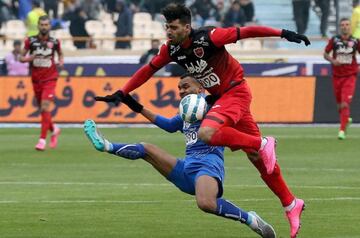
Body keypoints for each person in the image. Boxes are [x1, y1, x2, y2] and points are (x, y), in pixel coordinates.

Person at [94, 4, 310, 237]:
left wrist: (283, 33)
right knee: (258, 159)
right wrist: (123, 91)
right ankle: (290, 203)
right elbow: (147, 70)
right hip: (221, 98)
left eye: (174, 27)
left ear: (187, 27)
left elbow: (245, 31)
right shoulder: (171, 50)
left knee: (208, 134)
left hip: (235, 91)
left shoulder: (209, 37)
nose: (169, 31)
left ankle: (263, 143)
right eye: (167, 26)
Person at [85, 74, 277, 238]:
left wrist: (216, 99)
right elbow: (168, 125)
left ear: (201, 87)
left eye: (186, 86)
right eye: (179, 88)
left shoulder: (215, 110)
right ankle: (106, 146)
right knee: (147, 149)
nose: (181, 91)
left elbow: (236, 107)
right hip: (186, 170)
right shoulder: (187, 114)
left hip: (208, 166)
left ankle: (251, 220)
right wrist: (133, 104)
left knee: (205, 203)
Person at [20, 15, 63, 151]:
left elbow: (60, 54)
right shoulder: (30, 41)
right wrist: (29, 58)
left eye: (46, 24)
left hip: (50, 78)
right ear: (38, 26)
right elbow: (21, 57)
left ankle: (42, 140)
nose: (44, 27)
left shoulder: (55, 41)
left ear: (50, 26)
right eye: (42, 24)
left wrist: (60, 61)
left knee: (45, 107)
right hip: (36, 79)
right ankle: (54, 129)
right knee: (43, 110)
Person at [324, 18, 359, 140]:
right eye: (342, 25)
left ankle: (342, 130)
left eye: (347, 24)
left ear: (350, 27)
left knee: (345, 103)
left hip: (350, 76)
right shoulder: (335, 40)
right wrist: (333, 60)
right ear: (340, 27)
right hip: (337, 76)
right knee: (339, 105)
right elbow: (325, 53)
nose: (345, 27)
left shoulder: (355, 41)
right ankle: (346, 119)